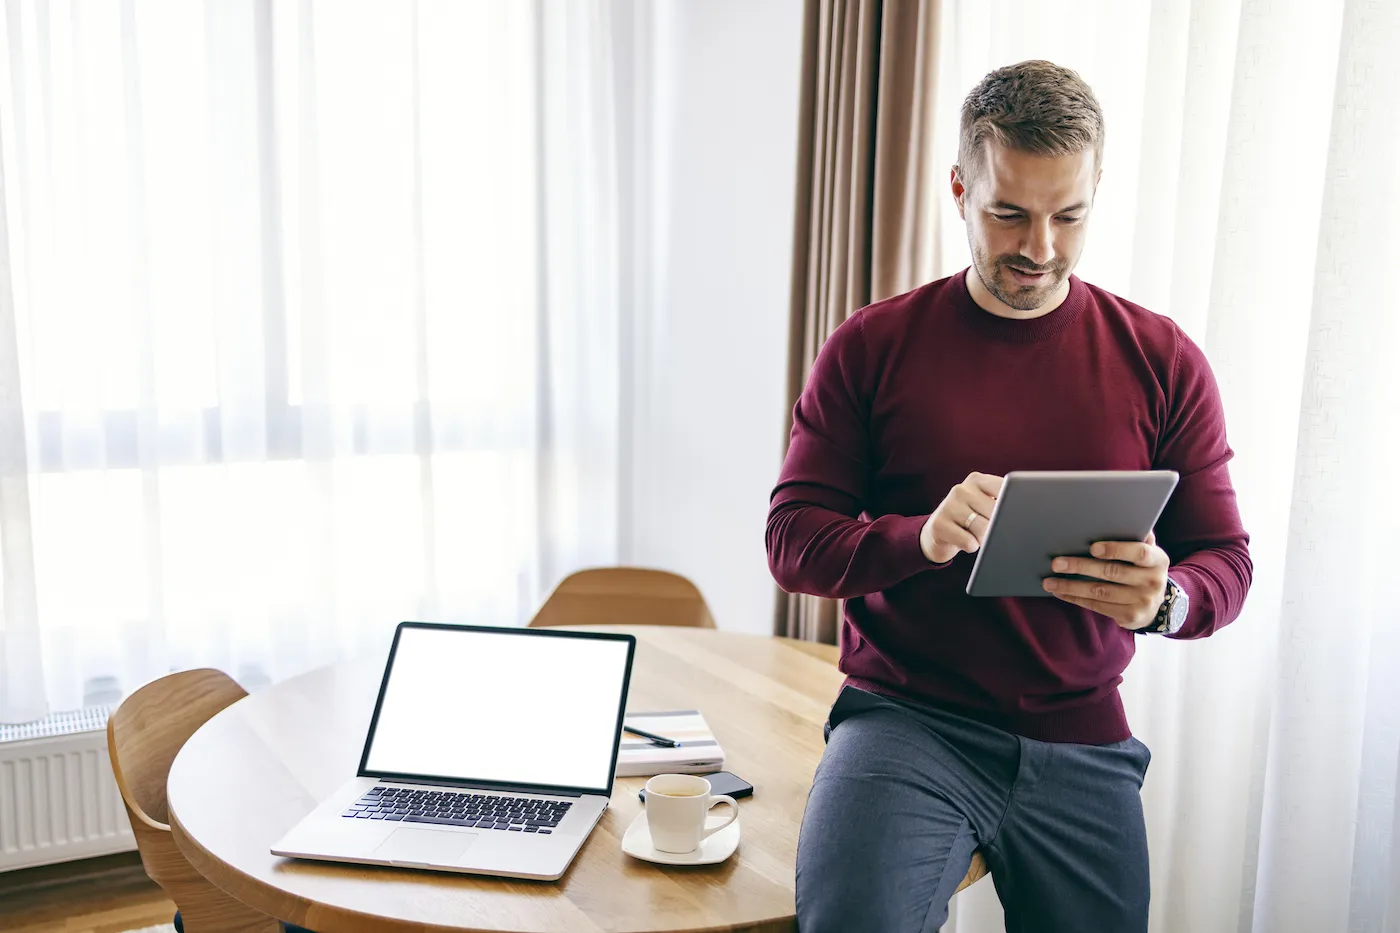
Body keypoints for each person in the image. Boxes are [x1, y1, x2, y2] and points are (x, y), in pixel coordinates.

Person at [767, 60, 1252, 933]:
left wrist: (1167, 599)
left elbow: (1227, 559)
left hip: (1084, 736)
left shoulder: (1162, 359)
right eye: (1008, 214)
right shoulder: (870, 347)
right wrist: (917, 538)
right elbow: (792, 539)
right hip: (906, 723)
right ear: (960, 188)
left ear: (1096, 189)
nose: (1040, 247)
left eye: (1068, 216)